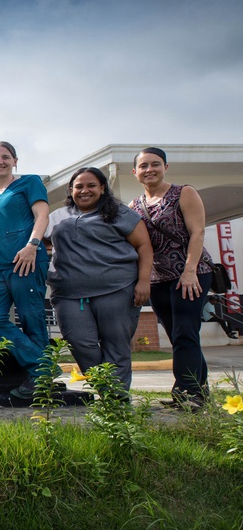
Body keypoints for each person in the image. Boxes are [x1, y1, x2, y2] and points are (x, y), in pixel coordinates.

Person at [44, 167, 152, 393]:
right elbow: (40, 243)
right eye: (79, 186)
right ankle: (106, 391)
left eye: (91, 185)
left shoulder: (121, 214)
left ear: (102, 188)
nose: (85, 191)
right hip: (68, 294)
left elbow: (143, 245)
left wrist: (144, 281)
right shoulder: (57, 217)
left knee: (116, 346)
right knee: (79, 343)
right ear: (71, 190)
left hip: (116, 290)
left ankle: (116, 403)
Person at [130, 147, 214, 409]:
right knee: (178, 335)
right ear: (135, 172)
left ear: (166, 167)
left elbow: (197, 232)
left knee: (185, 332)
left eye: (155, 164)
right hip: (157, 280)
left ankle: (186, 394)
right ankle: (200, 391)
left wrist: (189, 271)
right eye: (143, 166)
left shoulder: (183, 193)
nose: (149, 170)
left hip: (192, 275)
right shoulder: (134, 206)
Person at [0, 141, 50, 399]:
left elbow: (42, 216)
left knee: (31, 317)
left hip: (26, 259)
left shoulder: (29, 182)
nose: (0, 161)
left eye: (6, 157)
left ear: (15, 161)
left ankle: (38, 381)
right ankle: (43, 366)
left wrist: (32, 245)